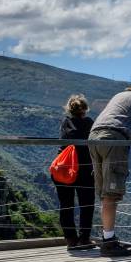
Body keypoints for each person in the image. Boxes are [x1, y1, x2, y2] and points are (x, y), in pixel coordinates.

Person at [88, 74, 131, 256]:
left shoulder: (120, 96)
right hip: (113, 140)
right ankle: (109, 244)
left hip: (94, 138)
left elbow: (120, 120)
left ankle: (107, 238)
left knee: (104, 193)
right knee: (111, 193)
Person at [56, 94, 95, 250]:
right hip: (85, 169)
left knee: (66, 205)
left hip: (65, 169)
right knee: (87, 204)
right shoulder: (89, 123)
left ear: (69, 108)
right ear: (85, 109)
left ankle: (71, 239)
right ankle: (84, 239)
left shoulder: (65, 122)